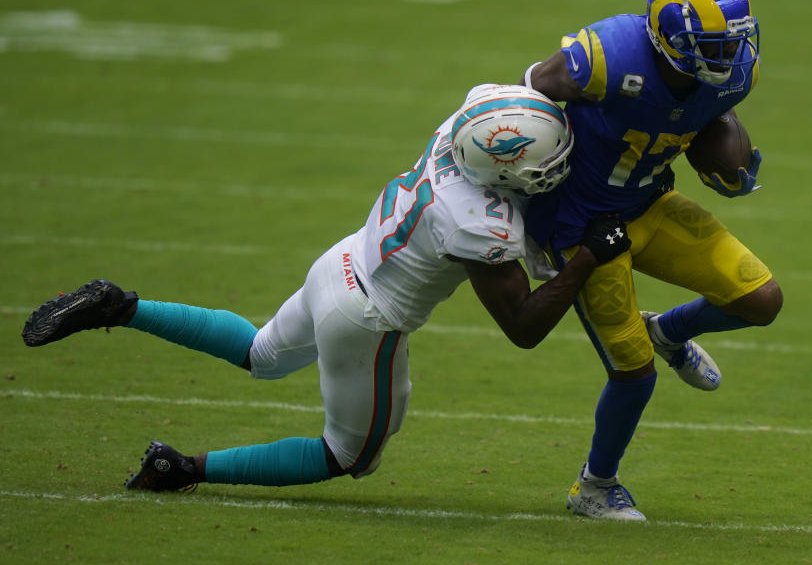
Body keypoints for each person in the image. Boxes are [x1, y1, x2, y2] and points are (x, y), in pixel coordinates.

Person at [21, 84, 632, 493]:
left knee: (261, 353)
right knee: (352, 457)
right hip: (367, 318)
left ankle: (121, 306)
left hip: (342, 261)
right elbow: (523, 328)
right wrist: (585, 261)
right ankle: (182, 469)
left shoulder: (469, 121)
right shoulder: (480, 222)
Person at [519, 0, 784, 520]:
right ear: (668, 33)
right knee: (633, 377)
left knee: (760, 299)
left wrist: (724, 153)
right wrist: (531, 215)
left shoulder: (734, 72)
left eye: (732, 42)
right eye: (712, 45)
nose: (728, 57)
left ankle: (669, 331)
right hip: (583, 228)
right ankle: (594, 486)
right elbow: (528, 97)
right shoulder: (607, 54)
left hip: (648, 203)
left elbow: (709, 117)